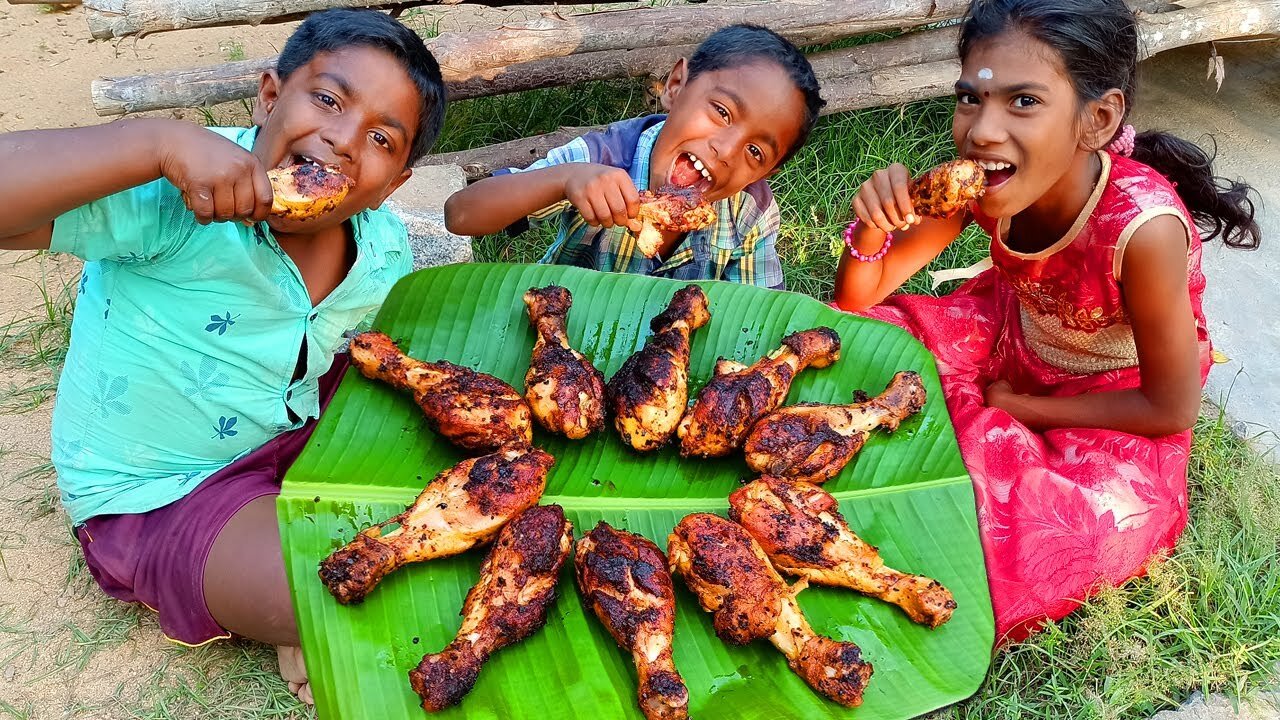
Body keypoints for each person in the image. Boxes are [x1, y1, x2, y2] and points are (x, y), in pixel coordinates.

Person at [0, 9, 447, 701]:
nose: (342, 138)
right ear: (270, 95)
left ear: (394, 184)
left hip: (292, 433)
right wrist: (156, 142)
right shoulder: (173, 195)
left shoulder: (382, 246)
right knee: (329, 584)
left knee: (461, 480)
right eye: (327, 99)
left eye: (382, 138)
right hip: (165, 489)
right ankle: (288, 618)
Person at [832, 0, 1259, 643]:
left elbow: (1171, 408)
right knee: (857, 350)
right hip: (1011, 333)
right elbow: (860, 304)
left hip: (1115, 401)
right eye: (970, 99)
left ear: (1099, 118)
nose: (981, 131)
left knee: (1018, 524)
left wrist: (1023, 410)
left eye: (1023, 102)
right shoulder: (985, 184)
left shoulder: (1144, 231)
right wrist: (874, 227)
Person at [444, 24, 825, 290]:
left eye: (755, 152)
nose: (726, 151)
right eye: (722, 112)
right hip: (563, 337)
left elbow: (758, 312)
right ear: (676, 86)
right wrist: (565, 179)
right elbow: (461, 214)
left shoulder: (750, 211)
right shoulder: (604, 158)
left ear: (768, 172)